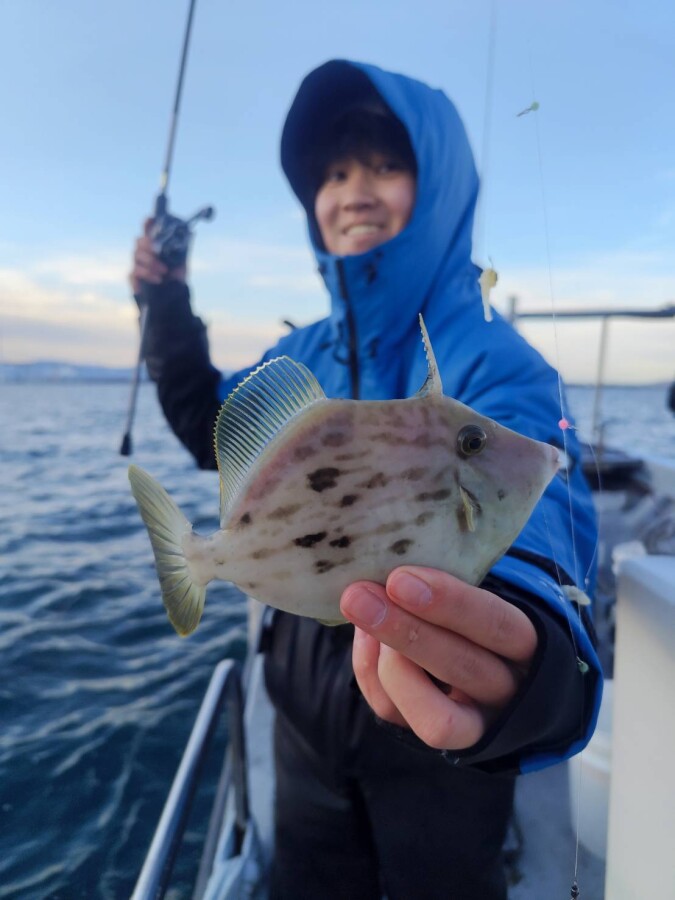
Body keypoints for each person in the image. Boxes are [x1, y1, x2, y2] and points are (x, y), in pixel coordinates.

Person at [131, 60, 602, 900]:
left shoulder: (487, 354)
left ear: (437, 185)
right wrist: (164, 303)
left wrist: (530, 625)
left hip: (435, 736)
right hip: (302, 718)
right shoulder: (299, 350)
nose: (355, 192)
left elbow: (540, 494)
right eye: (334, 173)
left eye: (384, 165)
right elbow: (213, 426)